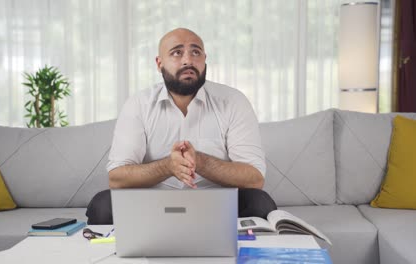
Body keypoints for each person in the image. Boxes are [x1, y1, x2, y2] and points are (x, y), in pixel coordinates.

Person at [86, 28, 277, 224]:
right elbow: (117, 178)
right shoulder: (138, 104)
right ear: (159, 63)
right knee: (102, 205)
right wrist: (168, 166)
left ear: (205, 59)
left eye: (196, 52)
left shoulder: (233, 101)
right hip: (153, 206)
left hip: (217, 205)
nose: (188, 61)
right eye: (177, 52)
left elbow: (254, 179)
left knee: (260, 203)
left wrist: (200, 162)